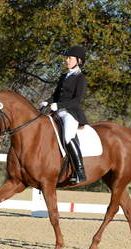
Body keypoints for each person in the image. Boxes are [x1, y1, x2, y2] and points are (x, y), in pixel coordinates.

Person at [40, 45, 88, 184]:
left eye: (69, 58)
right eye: (66, 58)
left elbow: (77, 100)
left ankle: (79, 171)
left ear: (78, 60)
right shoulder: (63, 76)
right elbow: (55, 95)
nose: (66, 60)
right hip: (57, 111)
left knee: (67, 137)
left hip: (70, 113)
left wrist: (59, 105)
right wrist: (46, 102)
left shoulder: (81, 78)